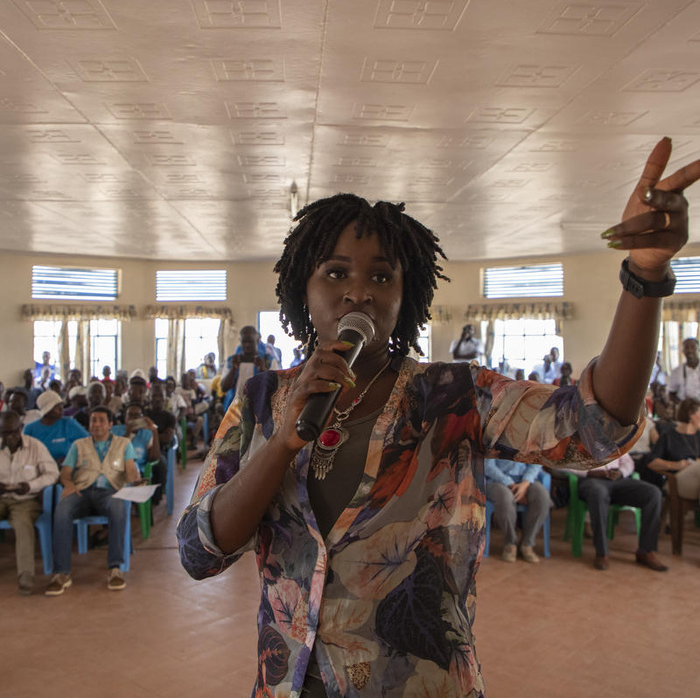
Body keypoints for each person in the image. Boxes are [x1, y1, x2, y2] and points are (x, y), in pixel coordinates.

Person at [176, 140, 700, 696]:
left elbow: (596, 428)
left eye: (382, 278)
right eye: (335, 273)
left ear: (407, 296)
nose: (359, 291)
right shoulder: (261, 399)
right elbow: (198, 552)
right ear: (302, 291)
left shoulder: (456, 395)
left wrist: (645, 275)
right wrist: (281, 443)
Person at [46, 406, 142, 595]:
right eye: (93, 421)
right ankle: (61, 573)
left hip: (109, 492)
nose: (96, 424)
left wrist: (135, 482)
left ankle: (115, 569)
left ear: (110, 424)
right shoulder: (79, 445)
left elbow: (130, 470)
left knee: (117, 506)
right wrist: (68, 484)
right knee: (62, 510)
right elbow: (65, 473)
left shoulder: (123, 444)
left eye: (101, 420)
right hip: (82, 492)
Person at [567, 454, 667, 571]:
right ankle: (601, 552)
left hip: (617, 480)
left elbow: (628, 462)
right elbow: (558, 464)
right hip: (592, 480)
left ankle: (646, 551)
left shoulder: (613, 440)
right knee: (598, 493)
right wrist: (588, 473)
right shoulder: (575, 440)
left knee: (653, 493)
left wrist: (621, 472)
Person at [0, 411, 59, 595]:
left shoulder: (35, 447)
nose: (9, 437)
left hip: (25, 501)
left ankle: (25, 576)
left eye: (12, 432)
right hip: (2, 497)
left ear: (20, 429)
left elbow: (52, 474)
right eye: (4, 433)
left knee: (23, 526)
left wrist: (30, 485)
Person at [484, 458, 551, 563]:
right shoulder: (492, 441)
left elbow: (536, 462)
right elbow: (488, 466)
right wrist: (510, 483)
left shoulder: (532, 441)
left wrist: (525, 484)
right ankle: (510, 543)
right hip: (496, 480)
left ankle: (527, 543)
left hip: (525, 481)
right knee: (505, 498)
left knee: (542, 497)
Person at [646, 397, 700, 504]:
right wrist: (676, 465)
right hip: (678, 479)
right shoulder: (669, 436)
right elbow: (651, 462)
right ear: (690, 414)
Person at [23, 390, 89, 465]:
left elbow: (88, 443)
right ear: (47, 410)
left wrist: (70, 458)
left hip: (66, 468)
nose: (61, 409)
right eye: (56, 407)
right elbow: (25, 454)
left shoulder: (68, 423)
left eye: (61, 405)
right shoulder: (30, 429)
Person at [220, 325, 270, 412]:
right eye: (244, 342)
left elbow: (275, 388)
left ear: (257, 340)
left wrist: (263, 370)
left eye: (250, 341)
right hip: (234, 411)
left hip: (258, 411)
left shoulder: (268, 360)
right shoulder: (231, 361)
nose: (247, 345)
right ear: (240, 341)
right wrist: (233, 368)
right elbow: (224, 387)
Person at [668, 337, 700, 402]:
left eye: (693, 347)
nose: (690, 350)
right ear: (683, 351)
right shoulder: (676, 372)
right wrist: (682, 405)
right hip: (685, 409)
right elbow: (671, 394)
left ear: (698, 349)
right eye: (687, 347)